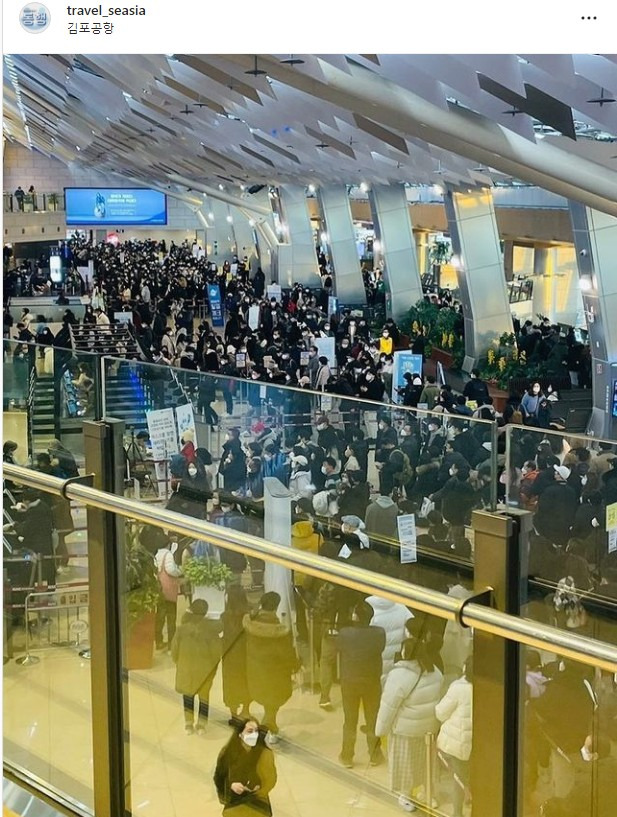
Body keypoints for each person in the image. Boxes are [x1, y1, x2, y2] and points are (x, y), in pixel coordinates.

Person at [375, 637, 443, 813]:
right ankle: (429, 794)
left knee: (406, 765)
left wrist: (380, 730)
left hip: (405, 729)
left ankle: (406, 796)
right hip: (428, 729)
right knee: (426, 763)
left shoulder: (398, 675)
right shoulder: (435, 672)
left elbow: (388, 705)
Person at [243, 592, 298, 741]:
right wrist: (295, 665)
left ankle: (270, 727)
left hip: (255, 671)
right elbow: (287, 654)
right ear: (276, 607)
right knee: (273, 700)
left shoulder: (250, 625)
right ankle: (269, 728)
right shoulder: (281, 631)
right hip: (275, 673)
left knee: (267, 700)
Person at [337, 600, 386, 768]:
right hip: (372, 681)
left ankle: (347, 755)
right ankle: (375, 754)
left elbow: (339, 648)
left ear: (355, 616)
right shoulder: (379, 633)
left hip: (349, 681)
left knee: (350, 720)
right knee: (372, 718)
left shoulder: (344, 633)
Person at [171, 599, 222, 734]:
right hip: (205, 670)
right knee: (204, 697)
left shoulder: (181, 630)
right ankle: (201, 724)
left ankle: (188, 723)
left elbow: (174, 651)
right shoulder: (211, 631)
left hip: (186, 668)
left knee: (188, 696)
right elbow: (216, 652)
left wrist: (180, 663)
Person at [214, 718, 277, 816]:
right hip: (235, 801)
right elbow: (219, 776)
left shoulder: (264, 753)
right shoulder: (228, 753)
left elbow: (271, 779)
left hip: (258, 800)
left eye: (256, 731)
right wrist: (231, 785)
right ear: (240, 734)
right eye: (250, 731)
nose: (254, 735)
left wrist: (258, 790)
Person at [435, 658, 473, 817]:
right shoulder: (489, 687)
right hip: (476, 743)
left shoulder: (458, 688)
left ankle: (457, 813)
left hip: (457, 742)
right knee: (471, 775)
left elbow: (440, 712)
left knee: (458, 779)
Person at [221, 585, 252, 725]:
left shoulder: (225, 616)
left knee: (230, 683)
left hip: (229, 654)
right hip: (245, 653)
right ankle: (246, 710)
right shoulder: (248, 615)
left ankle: (233, 714)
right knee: (246, 680)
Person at [154, 534, 182, 650]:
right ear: (168, 544)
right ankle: (171, 643)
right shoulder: (168, 554)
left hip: (160, 589)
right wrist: (179, 571)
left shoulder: (157, 554)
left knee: (160, 617)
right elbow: (171, 570)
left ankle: (159, 641)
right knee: (171, 617)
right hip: (169, 590)